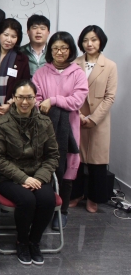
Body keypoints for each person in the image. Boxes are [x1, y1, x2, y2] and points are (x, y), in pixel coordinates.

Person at [0, 79, 59, 266]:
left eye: (29, 97)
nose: (25, 102)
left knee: (47, 200)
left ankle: (34, 241)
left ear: (35, 99)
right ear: (13, 98)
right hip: (8, 177)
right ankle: (21, 241)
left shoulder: (45, 122)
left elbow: (53, 156)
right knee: (27, 200)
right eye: (20, 97)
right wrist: (23, 178)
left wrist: (38, 178)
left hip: (38, 176)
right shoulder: (1, 123)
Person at [33, 31, 88, 230]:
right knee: (44, 166)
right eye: (55, 48)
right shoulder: (41, 72)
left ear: (71, 50)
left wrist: (53, 100)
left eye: (64, 48)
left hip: (69, 129)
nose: (59, 52)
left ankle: (62, 211)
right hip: (43, 128)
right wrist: (42, 103)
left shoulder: (78, 73)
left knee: (67, 169)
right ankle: (44, 208)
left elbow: (77, 100)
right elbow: (35, 99)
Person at [70, 26, 117, 213]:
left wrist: (93, 118)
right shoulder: (74, 63)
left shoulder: (110, 65)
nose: (89, 44)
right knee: (77, 159)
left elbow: (110, 96)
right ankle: (76, 194)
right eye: (85, 40)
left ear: (101, 41)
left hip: (99, 120)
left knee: (97, 161)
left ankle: (94, 198)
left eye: (94, 39)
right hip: (77, 117)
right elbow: (70, 91)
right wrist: (80, 116)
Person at [0, 18, 31, 137]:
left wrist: (10, 104)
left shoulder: (22, 59)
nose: (9, 40)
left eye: (14, 36)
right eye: (6, 35)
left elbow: (24, 86)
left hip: (13, 112)